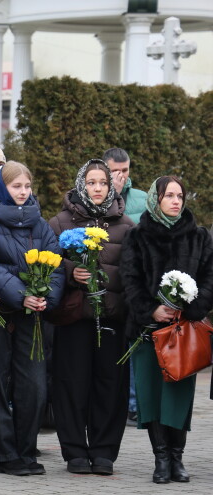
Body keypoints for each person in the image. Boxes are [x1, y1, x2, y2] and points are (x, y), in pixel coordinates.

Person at [120, 176, 213, 484]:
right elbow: (129, 280)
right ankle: (160, 459)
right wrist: (151, 309)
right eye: (169, 195)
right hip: (150, 331)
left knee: (178, 395)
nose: (175, 201)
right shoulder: (137, 236)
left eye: (180, 196)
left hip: (184, 332)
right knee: (152, 395)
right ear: (155, 199)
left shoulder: (199, 237)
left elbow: (210, 278)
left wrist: (192, 307)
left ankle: (177, 458)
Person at [0, 161, 64, 476]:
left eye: (27, 186)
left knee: (34, 385)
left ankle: (26, 451)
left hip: (32, 316)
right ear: (2, 188)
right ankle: (5, 455)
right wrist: (21, 293)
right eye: (16, 187)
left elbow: (56, 264)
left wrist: (46, 296)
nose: (23, 192)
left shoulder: (39, 224)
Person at [47, 159, 133, 475]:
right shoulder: (60, 223)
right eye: (91, 182)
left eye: (103, 183)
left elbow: (132, 272)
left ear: (111, 187)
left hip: (112, 319)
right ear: (81, 184)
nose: (97, 188)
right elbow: (47, 264)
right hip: (74, 319)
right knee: (71, 384)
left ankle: (104, 452)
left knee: (110, 386)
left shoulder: (126, 226)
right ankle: (74, 451)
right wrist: (71, 271)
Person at [103, 147, 148, 427]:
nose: (121, 176)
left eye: (125, 170)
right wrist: (113, 195)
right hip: (107, 280)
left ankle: (133, 404)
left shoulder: (142, 199)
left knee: (134, 342)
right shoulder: (95, 194)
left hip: (133, 280)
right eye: (114, 171)